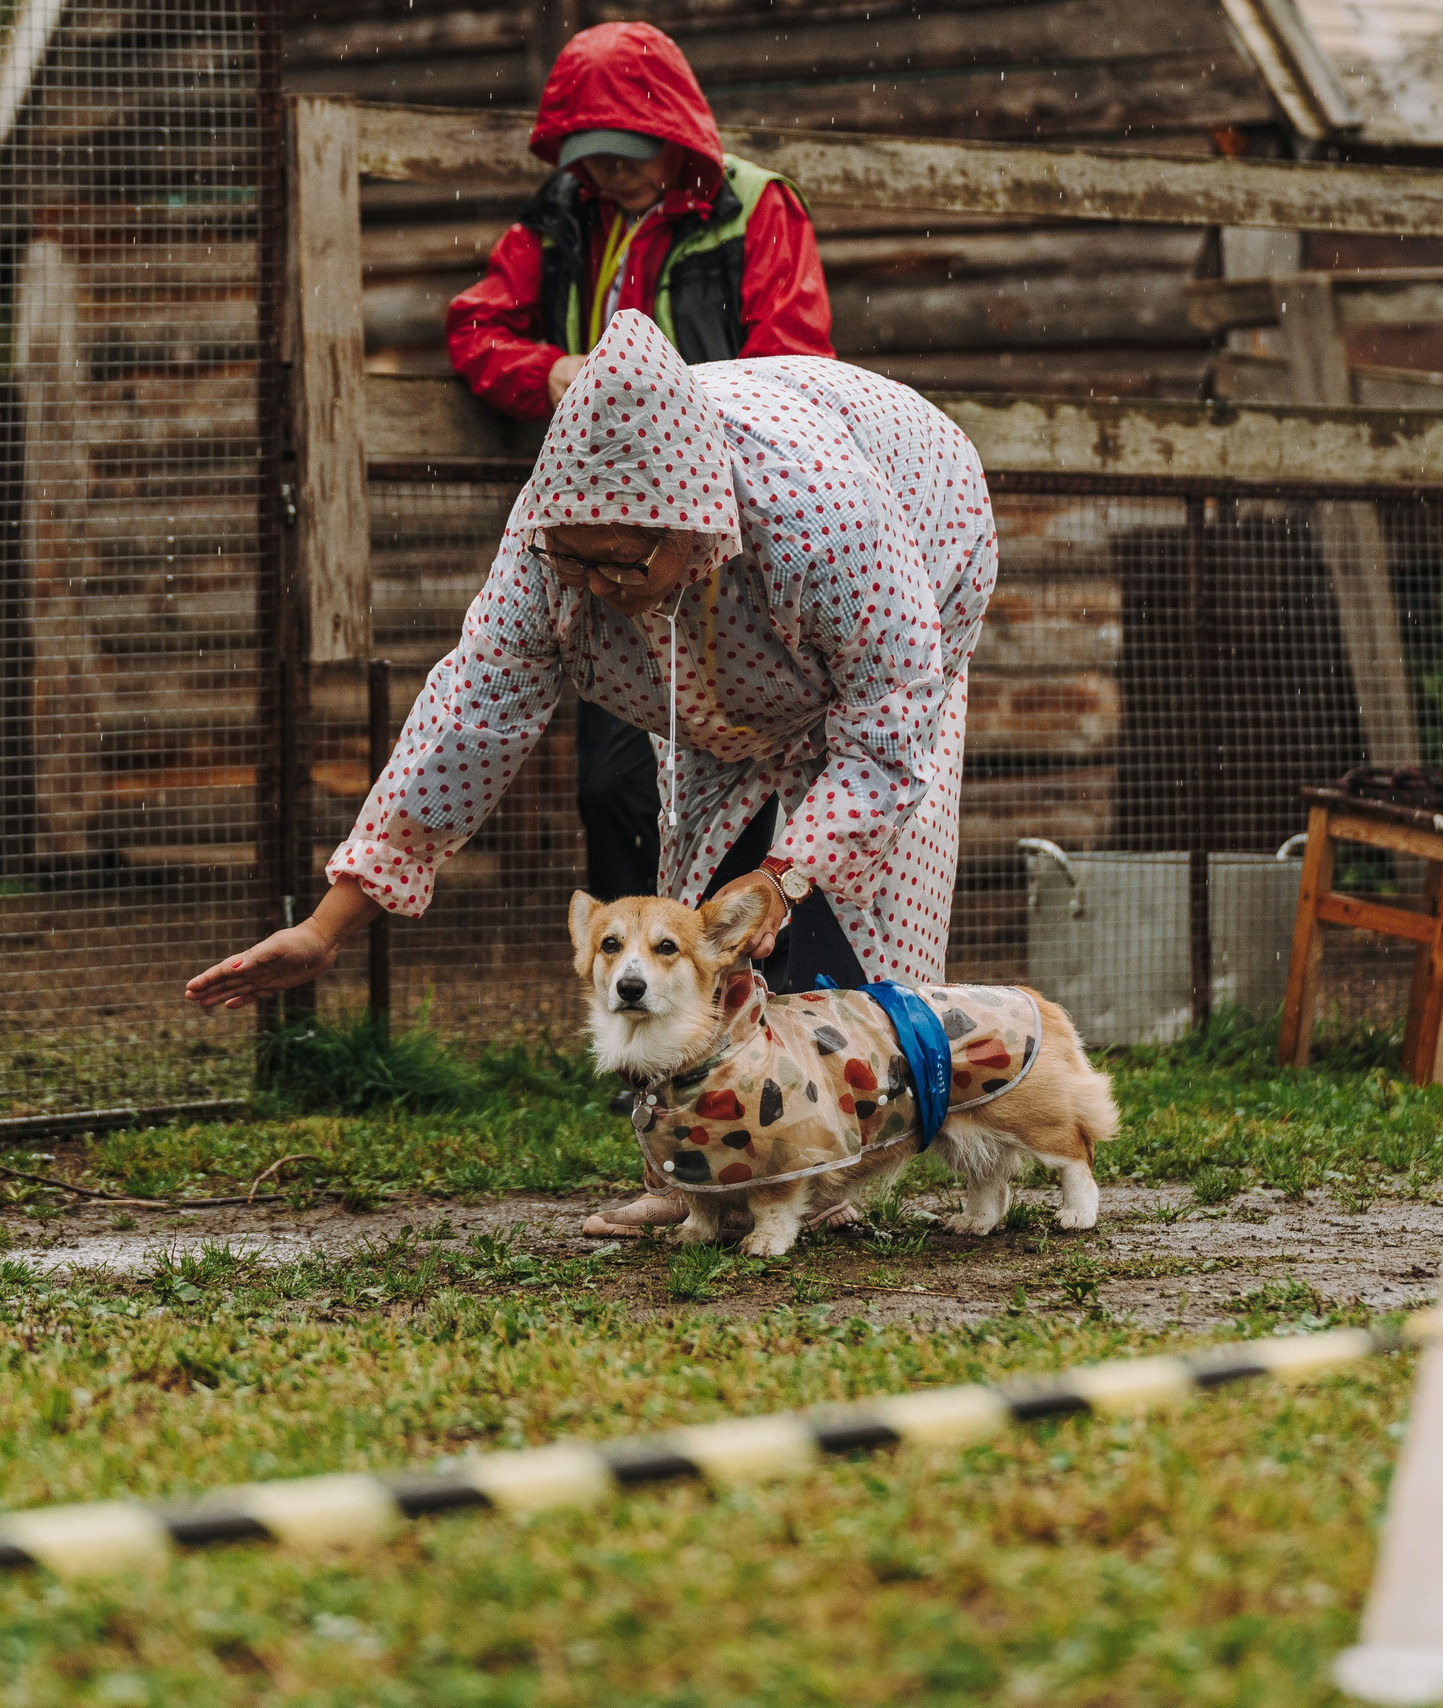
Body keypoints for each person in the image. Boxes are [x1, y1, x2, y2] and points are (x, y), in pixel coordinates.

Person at [188, 312, 990, 1237]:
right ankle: (699, 1166)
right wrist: (330, 927)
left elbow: (886, 739)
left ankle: (825, 1165)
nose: (595, 585)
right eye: (575, 559)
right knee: (694, 928)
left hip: (916, 564)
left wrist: (786, 876)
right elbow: (467, 723)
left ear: (698, 533)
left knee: (833, 920)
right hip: (714, 695)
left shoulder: (828, 522)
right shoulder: (552, 557)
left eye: (620, 563)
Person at [447, 20, 835, 903]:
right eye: (590, 154)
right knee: (614, 784)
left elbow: (797, 366)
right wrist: (551, 373)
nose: (608, 172)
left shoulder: (755, 207)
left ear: (674, 138)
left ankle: (739, 990)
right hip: (605, 539)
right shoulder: (561, 217)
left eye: (627, 153)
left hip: (729, 530)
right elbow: (475, 324)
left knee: (743, 762)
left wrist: (692, 423)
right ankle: (639, 1010)